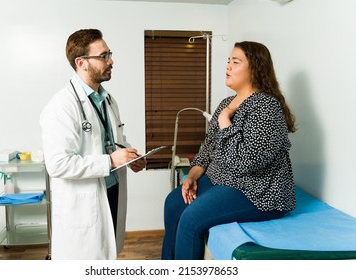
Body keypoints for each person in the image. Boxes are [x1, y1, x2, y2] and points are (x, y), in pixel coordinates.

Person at [162, 41, 296, 260]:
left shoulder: (266, 106)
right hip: (221, 179)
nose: (228, 67)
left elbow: (247, 162)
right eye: (228, 61)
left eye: (235, 62)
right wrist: (193, 176)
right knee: (173, 203)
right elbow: (208, 148)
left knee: (191, 219)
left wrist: (225, 120)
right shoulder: (227, 102)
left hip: (255, 190)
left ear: (255, 67)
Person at [40, 29, 146, 260]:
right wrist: (110, 160)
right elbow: (58, 164)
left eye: (110, 54)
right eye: (104, 56)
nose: (111, 61)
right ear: (82, 63)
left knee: (107, 257)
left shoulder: (107, 99)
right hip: (83, 202)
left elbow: (114, 138)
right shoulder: (61, 106)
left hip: (111, 190)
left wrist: (129, 155)